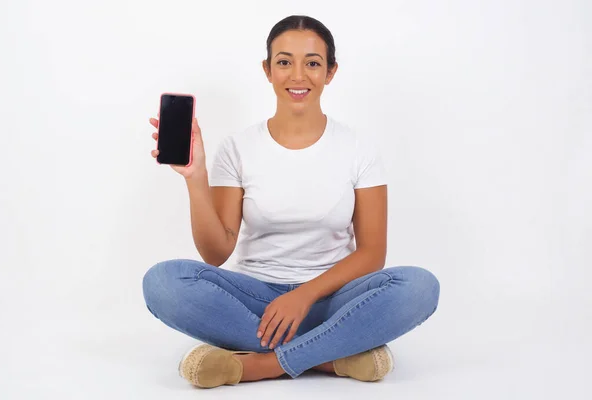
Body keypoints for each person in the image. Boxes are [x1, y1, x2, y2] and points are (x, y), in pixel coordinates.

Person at [142, 15, 440, 389]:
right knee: (163, 283)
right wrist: (196, 177)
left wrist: (303, 296)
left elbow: (372, 253)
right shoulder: (237, 148)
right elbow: (216, 253)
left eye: (313, 63)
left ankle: (261, 365)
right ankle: (332, 356)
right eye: (284, 62)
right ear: (267, 70)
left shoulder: (359, 149)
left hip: (335, 299)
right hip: (255, 302)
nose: (298, 75)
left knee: (420, 286)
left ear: (330, 72)